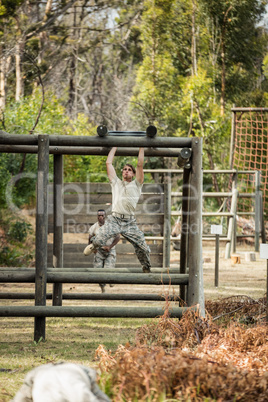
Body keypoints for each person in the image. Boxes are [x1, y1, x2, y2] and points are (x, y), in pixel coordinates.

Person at [86, 147, 151, 273]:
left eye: (129, 170)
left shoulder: (137, 184)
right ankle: (93, 245)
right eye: (124, 169)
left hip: (129, 222)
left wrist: (142, 146)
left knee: (143, 247)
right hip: (114, 220)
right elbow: (108, 163)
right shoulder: (116, 183)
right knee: (99, 239)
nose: (126, 171)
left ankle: (146, 267)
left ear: (133, 174)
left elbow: (139, 164)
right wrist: (115, 146)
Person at [84, 209, 120, 293]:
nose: (100, 217)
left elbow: (118, 236)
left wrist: (110, 246)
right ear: (97, 217)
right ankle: (102, 288)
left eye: (102, 215)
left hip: (110, 251)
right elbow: (90, 237)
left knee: (108, 270)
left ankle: (111, 280)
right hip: (99, 251)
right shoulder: (94, 227)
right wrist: (92, 248)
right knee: (98, 272)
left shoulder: (111, 226)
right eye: (99, 215)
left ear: (105, 216)